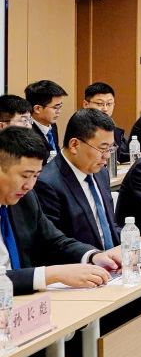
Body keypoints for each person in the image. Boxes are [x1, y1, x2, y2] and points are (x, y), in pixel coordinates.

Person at [0, 126, 122, 295]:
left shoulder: (26, 199)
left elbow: (55, 240)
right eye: (25, 176)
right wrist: (52, 274)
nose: (29, 185)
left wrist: (93, 256)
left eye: (36, 176)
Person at [34, 109, 121, 251]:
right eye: (103, 148)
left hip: (113, 256)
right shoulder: (47, 183)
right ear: (74, 145)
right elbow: (54, 244)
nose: (106, 156)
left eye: (110, 148)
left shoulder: (101, 172)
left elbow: (109, 224)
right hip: (82, 262)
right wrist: (93, 256)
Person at [23, 79, 67, 159]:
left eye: (60, 106)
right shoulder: (27, 132)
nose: (59, 111)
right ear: (37, 109)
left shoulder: (52, 125)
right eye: (55, 107)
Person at [83, 82, 127, 152]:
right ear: (86, 104)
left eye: (109, 104)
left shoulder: (114, 130)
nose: (105, 109)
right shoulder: (80, 129)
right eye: (99, 104)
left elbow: (121, 154)